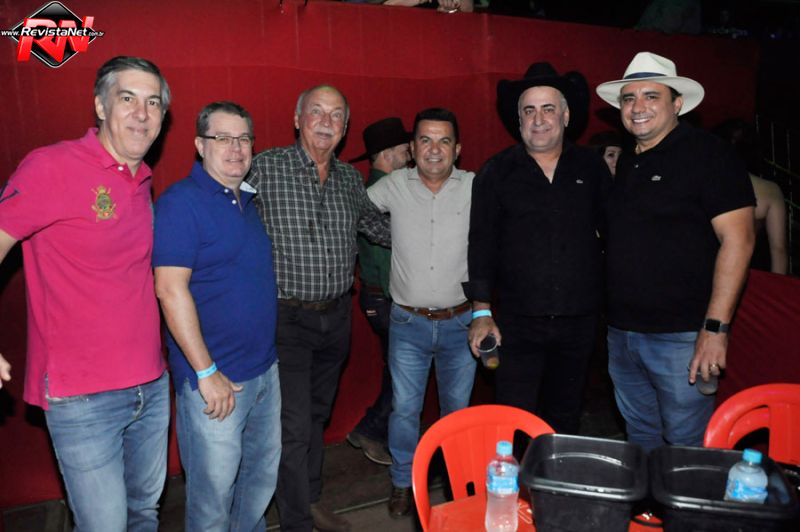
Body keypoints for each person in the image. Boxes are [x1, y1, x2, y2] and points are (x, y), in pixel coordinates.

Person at [0, 56, 171, 530]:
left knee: (144, 515)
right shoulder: (51, 166)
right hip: (82, 397)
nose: (142, 113)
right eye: (127, 98)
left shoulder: (141, 178)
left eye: (153, 102)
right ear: (100, 105)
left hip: (151, 387)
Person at [596, 52, 755, 452]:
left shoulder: (709, 154)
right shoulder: (628, 160)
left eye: (651, 96)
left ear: (677, 103)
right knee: (641, 440)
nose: (638, 107)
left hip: (682, 337)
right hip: (622, 334)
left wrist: (715, 330)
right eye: (629, 98)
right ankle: (649, 497)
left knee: (687, 449)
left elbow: (739, 240)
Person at [248, 84, 390, 532]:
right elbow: (223, 211)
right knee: (292, 426)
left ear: (345, 127)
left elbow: (380, 230)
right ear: (297, 119)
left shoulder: (350, 179)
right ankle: (296, 522)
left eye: (336, 115)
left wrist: (436, 218)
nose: (326, 122)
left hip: (337, 318)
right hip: (285, 318)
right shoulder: (265, 167)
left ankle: (308, 500)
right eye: (316, 112)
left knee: (315, 416)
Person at [153, 101, 281, 531]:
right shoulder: (181, 203)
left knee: (257, 487)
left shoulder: (246, 200)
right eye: (222, 138)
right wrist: (207, 373)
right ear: (199, 145)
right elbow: (169, 290)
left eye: (244, 138)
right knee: (213, 503)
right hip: (216, 383)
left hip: (264, 372)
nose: (236, 148)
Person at [465, 63, 610, 436]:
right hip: (516, 323)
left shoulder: (592, 168)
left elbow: (614, 237)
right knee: (511, 421)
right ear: (519, 120)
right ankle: (513, 477)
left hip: (579, 322)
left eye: (548, 109)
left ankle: (553, 476)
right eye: (529, 111)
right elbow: (481, 244)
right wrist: (481, 312)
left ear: (565, 115)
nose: (539, 119)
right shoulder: (496, 172)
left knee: (565, 418)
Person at [367, 108, 476, 518]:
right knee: (405, 411)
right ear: (412, 149)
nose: (434, 149)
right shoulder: (394, 185)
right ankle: (402, 482)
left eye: (444, 141)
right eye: (425, 140)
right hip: (407, 323)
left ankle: (456, 482)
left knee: (457, 413)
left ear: (457, 149)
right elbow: (354, 212)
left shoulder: (475, 187)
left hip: (461, 324)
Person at [347, 117, 411, 466]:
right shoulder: (382, 195)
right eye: (404, 149)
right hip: (386, 299)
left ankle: (374, 430)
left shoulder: (377, 189)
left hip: (379, 298)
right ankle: (372, 430)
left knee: (400, 371)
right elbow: (388, 260)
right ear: (387, 154)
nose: (410, 155)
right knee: (404, 373)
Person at [713, 118, 788, 274]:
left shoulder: (704, 185)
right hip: (752, 272)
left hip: (711, 272)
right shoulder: (770, 190)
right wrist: (776, 285)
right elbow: (778, 249)